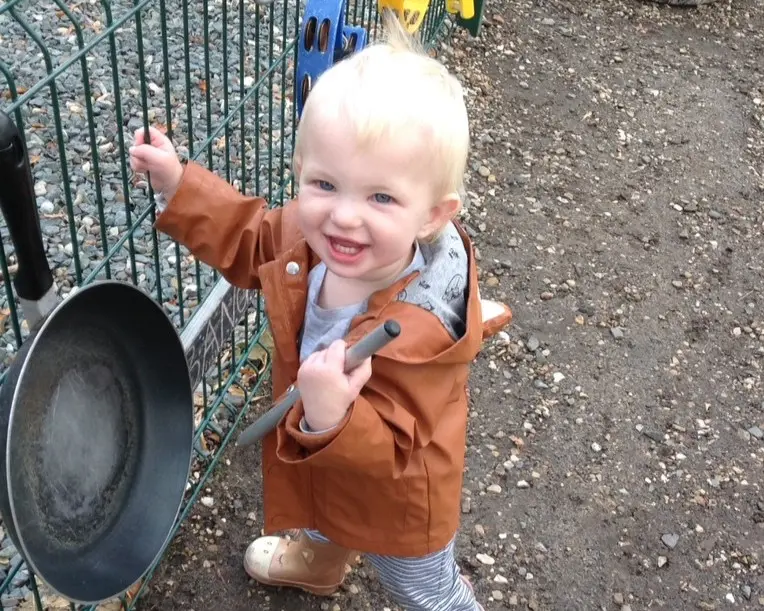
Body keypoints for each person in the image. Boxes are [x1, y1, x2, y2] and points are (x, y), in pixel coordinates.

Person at [129, 10, 511, 610]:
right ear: (301, 171)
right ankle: (321, 555)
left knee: (421, 588)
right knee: (319, 503)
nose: (344, 215)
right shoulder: (309, 244)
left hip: (398, 501)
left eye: (381, 196)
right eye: (326, 185)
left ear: (433, 215)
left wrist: (333, 418)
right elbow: (249, 234)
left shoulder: (421, 331)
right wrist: (181, 187)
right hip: (318, 452)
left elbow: (393, 449)